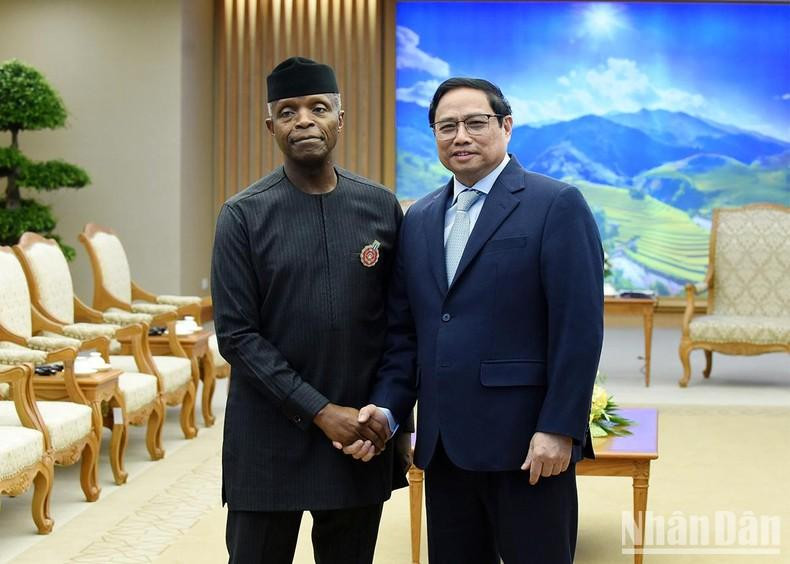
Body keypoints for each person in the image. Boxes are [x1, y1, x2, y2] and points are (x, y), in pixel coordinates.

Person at [343, 77, 604, 563]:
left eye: (475, 123)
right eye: (447, 126)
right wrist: (386, 409)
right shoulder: (418, 218)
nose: (461, 136)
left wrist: (560, 428)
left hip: (528, 446)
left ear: (506, 126)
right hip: (445, 450)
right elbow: (406, 335)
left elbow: (579, 329)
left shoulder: (556, 204)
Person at [211, 56, 410, 564]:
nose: (303, 120)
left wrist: (390, 418)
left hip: (358, 441)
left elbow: (400, 327)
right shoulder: (242, 215)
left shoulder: (380, 206)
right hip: (268, 439)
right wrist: (321, 412)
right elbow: (237, 336)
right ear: (271, 126)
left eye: (318, 108)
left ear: (339, 120)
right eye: (287, 111)